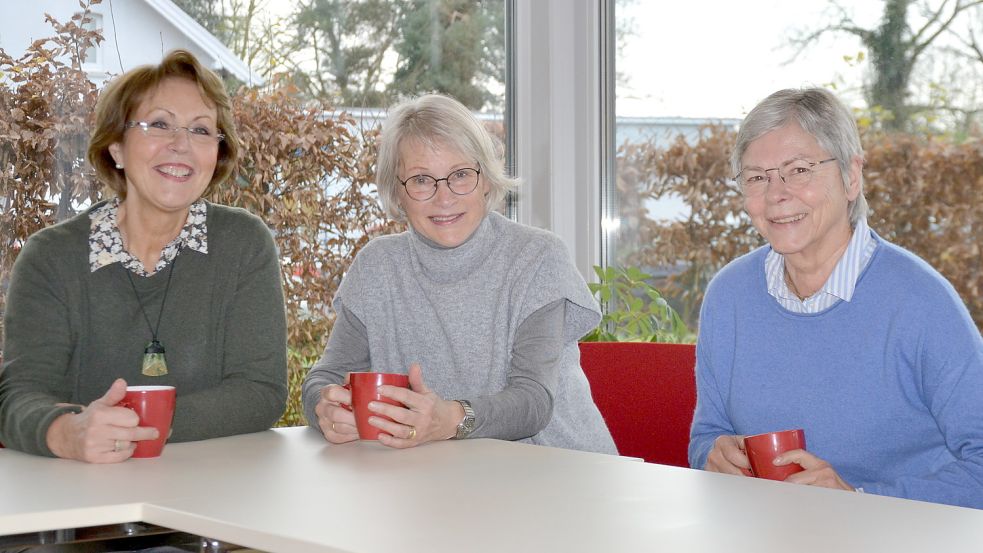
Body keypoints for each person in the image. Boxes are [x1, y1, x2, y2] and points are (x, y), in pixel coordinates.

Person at [688, 87, 983, 508]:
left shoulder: (921, 302)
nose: (776, 194)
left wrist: (858, 500)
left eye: (800, 169)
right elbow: (706, 436)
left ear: (851, 177)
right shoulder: (728, 296)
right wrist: (713, 456)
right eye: (757, 177)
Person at [0, 49, 287, 463]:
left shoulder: (242, 244)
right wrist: (67, 433)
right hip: (81, 501)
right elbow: (18, 395)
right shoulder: (53, 257)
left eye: (202, 131)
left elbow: (261, 391)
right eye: (159, 124)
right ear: (116, 146)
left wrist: (138, 425)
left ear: (216, 155)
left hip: (214, 494)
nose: (181, 145)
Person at [302, 94, 615, 454]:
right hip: (442, 480)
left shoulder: (537, 258)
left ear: (486, 180)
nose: (444, 197)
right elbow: (323, 379)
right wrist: (323, 409)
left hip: (562, 472)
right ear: (397, 193)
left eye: (461, 175)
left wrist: (450, 418)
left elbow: (533, 402)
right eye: (421, 180)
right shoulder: (377, 267)